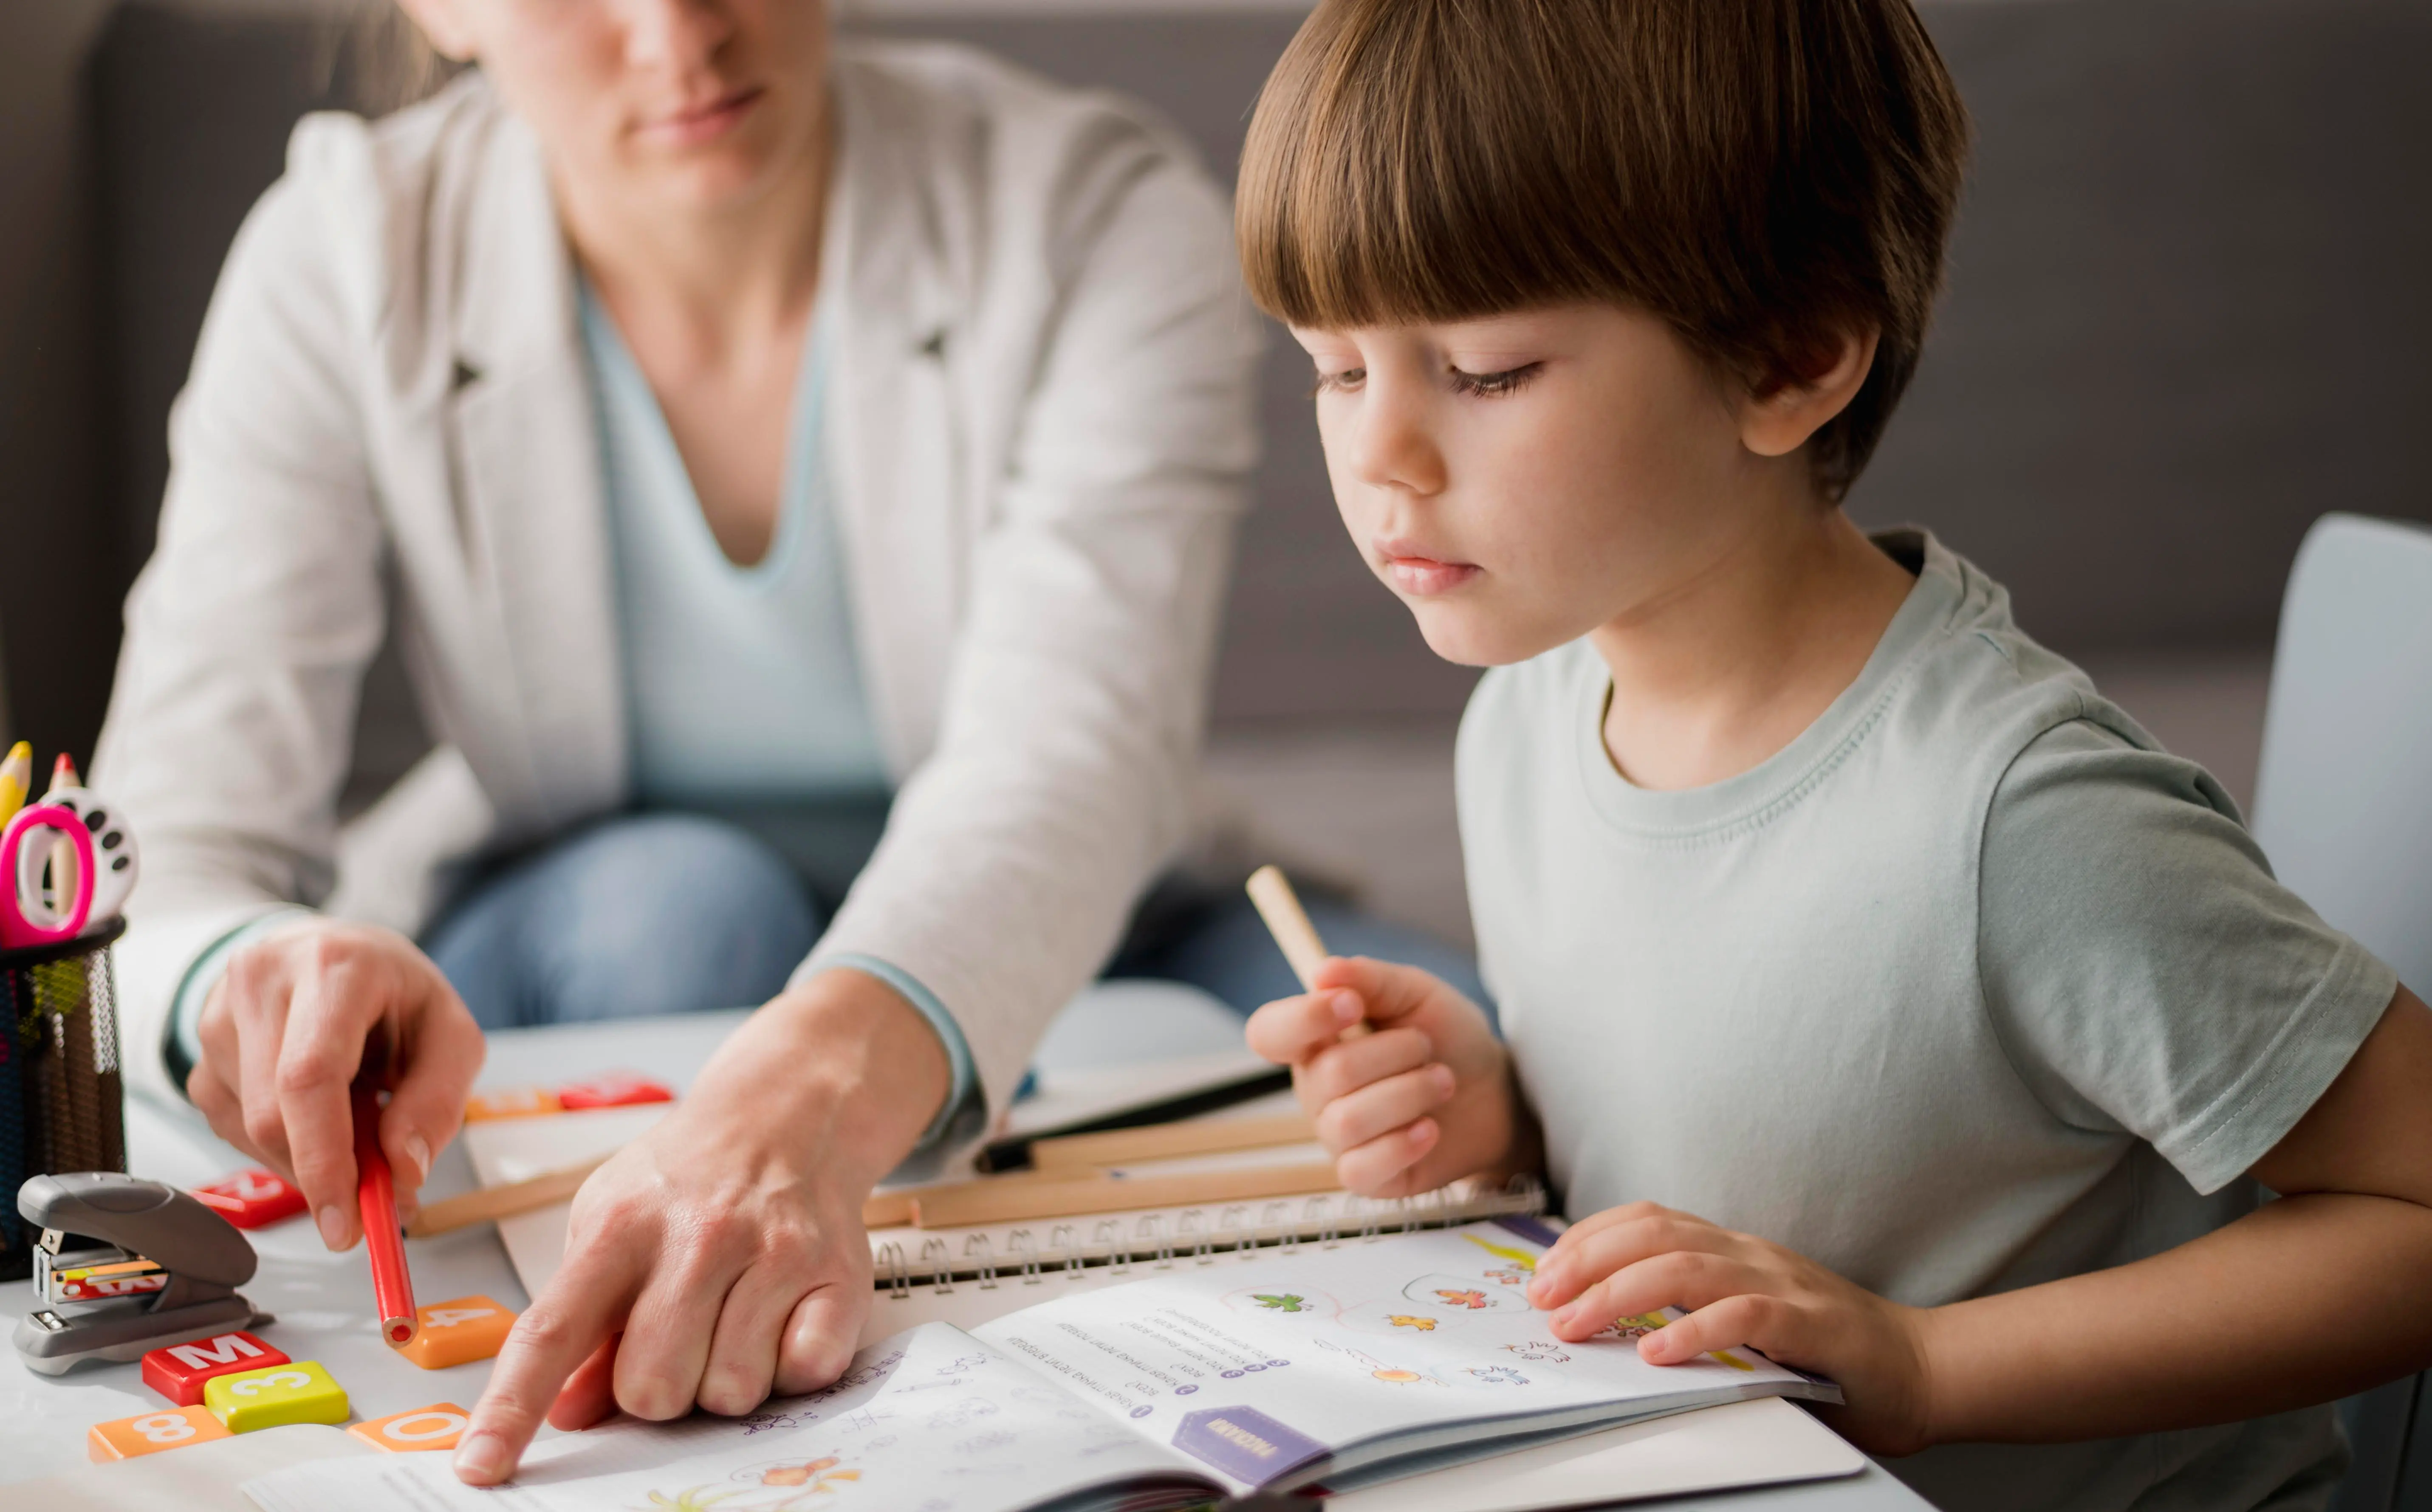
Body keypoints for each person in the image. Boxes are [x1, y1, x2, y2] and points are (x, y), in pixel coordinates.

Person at [90, 0, 1483, 1484]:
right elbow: (173, 834)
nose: (679, 37)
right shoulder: (341, 250)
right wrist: (248, 974)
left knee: (1472, 1062)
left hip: (1086, 908)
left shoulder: (1088, 207)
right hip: (607, 917)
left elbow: (1072, 757)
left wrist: (804, 1102)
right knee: (687, 909)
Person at [1232, 2, 2432, 1508]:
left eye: (1482, 370)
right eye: (1336, 370)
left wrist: (1923, 1366)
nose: (1379, 455)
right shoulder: (1528, 717)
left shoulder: (2021, 825)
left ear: (1789, 360)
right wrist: (1501, 1114)